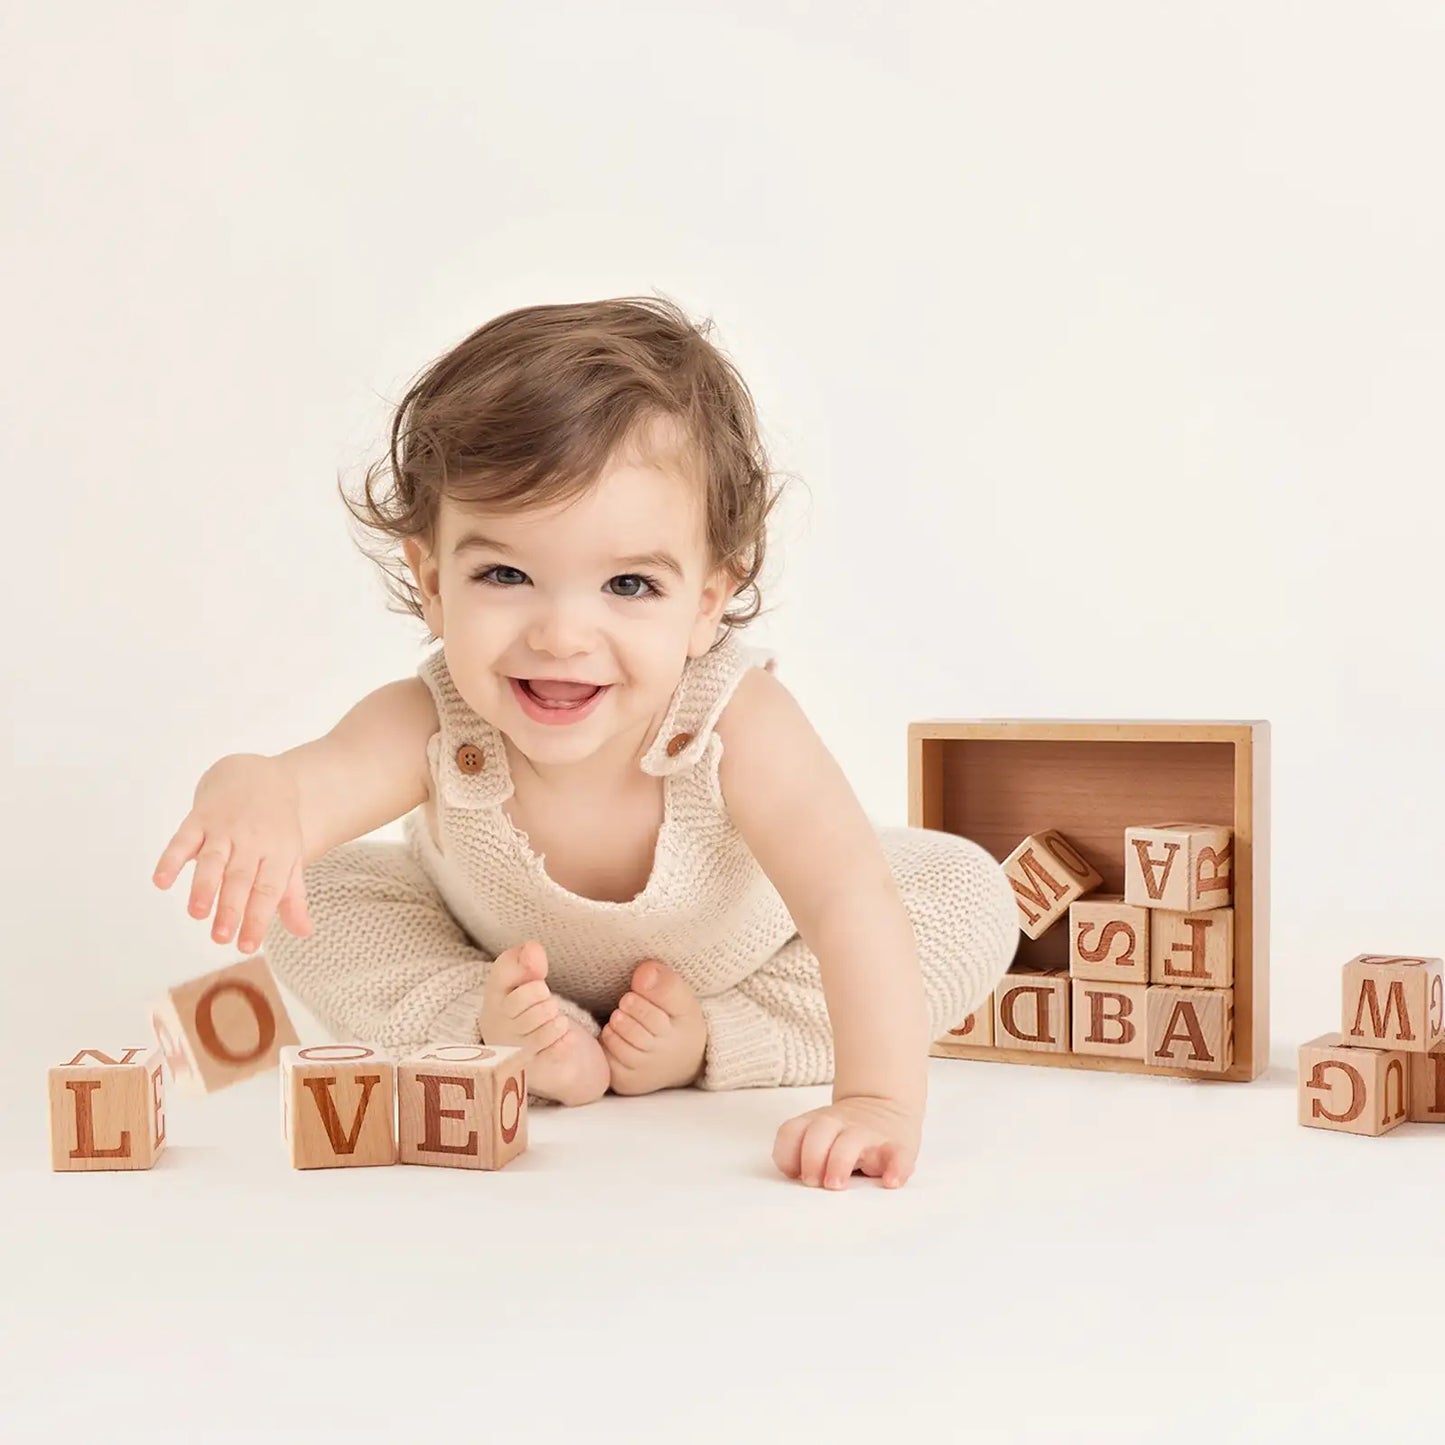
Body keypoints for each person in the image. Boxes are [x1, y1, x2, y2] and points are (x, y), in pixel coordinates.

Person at [152, 294, 1019, 1190]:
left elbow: (842, 896)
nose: (562, 634)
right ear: (433, 579)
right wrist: (248, 790)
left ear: (709, 601)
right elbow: (304, 790)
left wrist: (876, 1098)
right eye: (505, 574)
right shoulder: (435, 719)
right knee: (315, 898)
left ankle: (709, 1038)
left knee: (964, 896)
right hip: (496, 966)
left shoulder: (733, 721)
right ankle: (501, 1034)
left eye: (630, 585)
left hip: (745, 961)